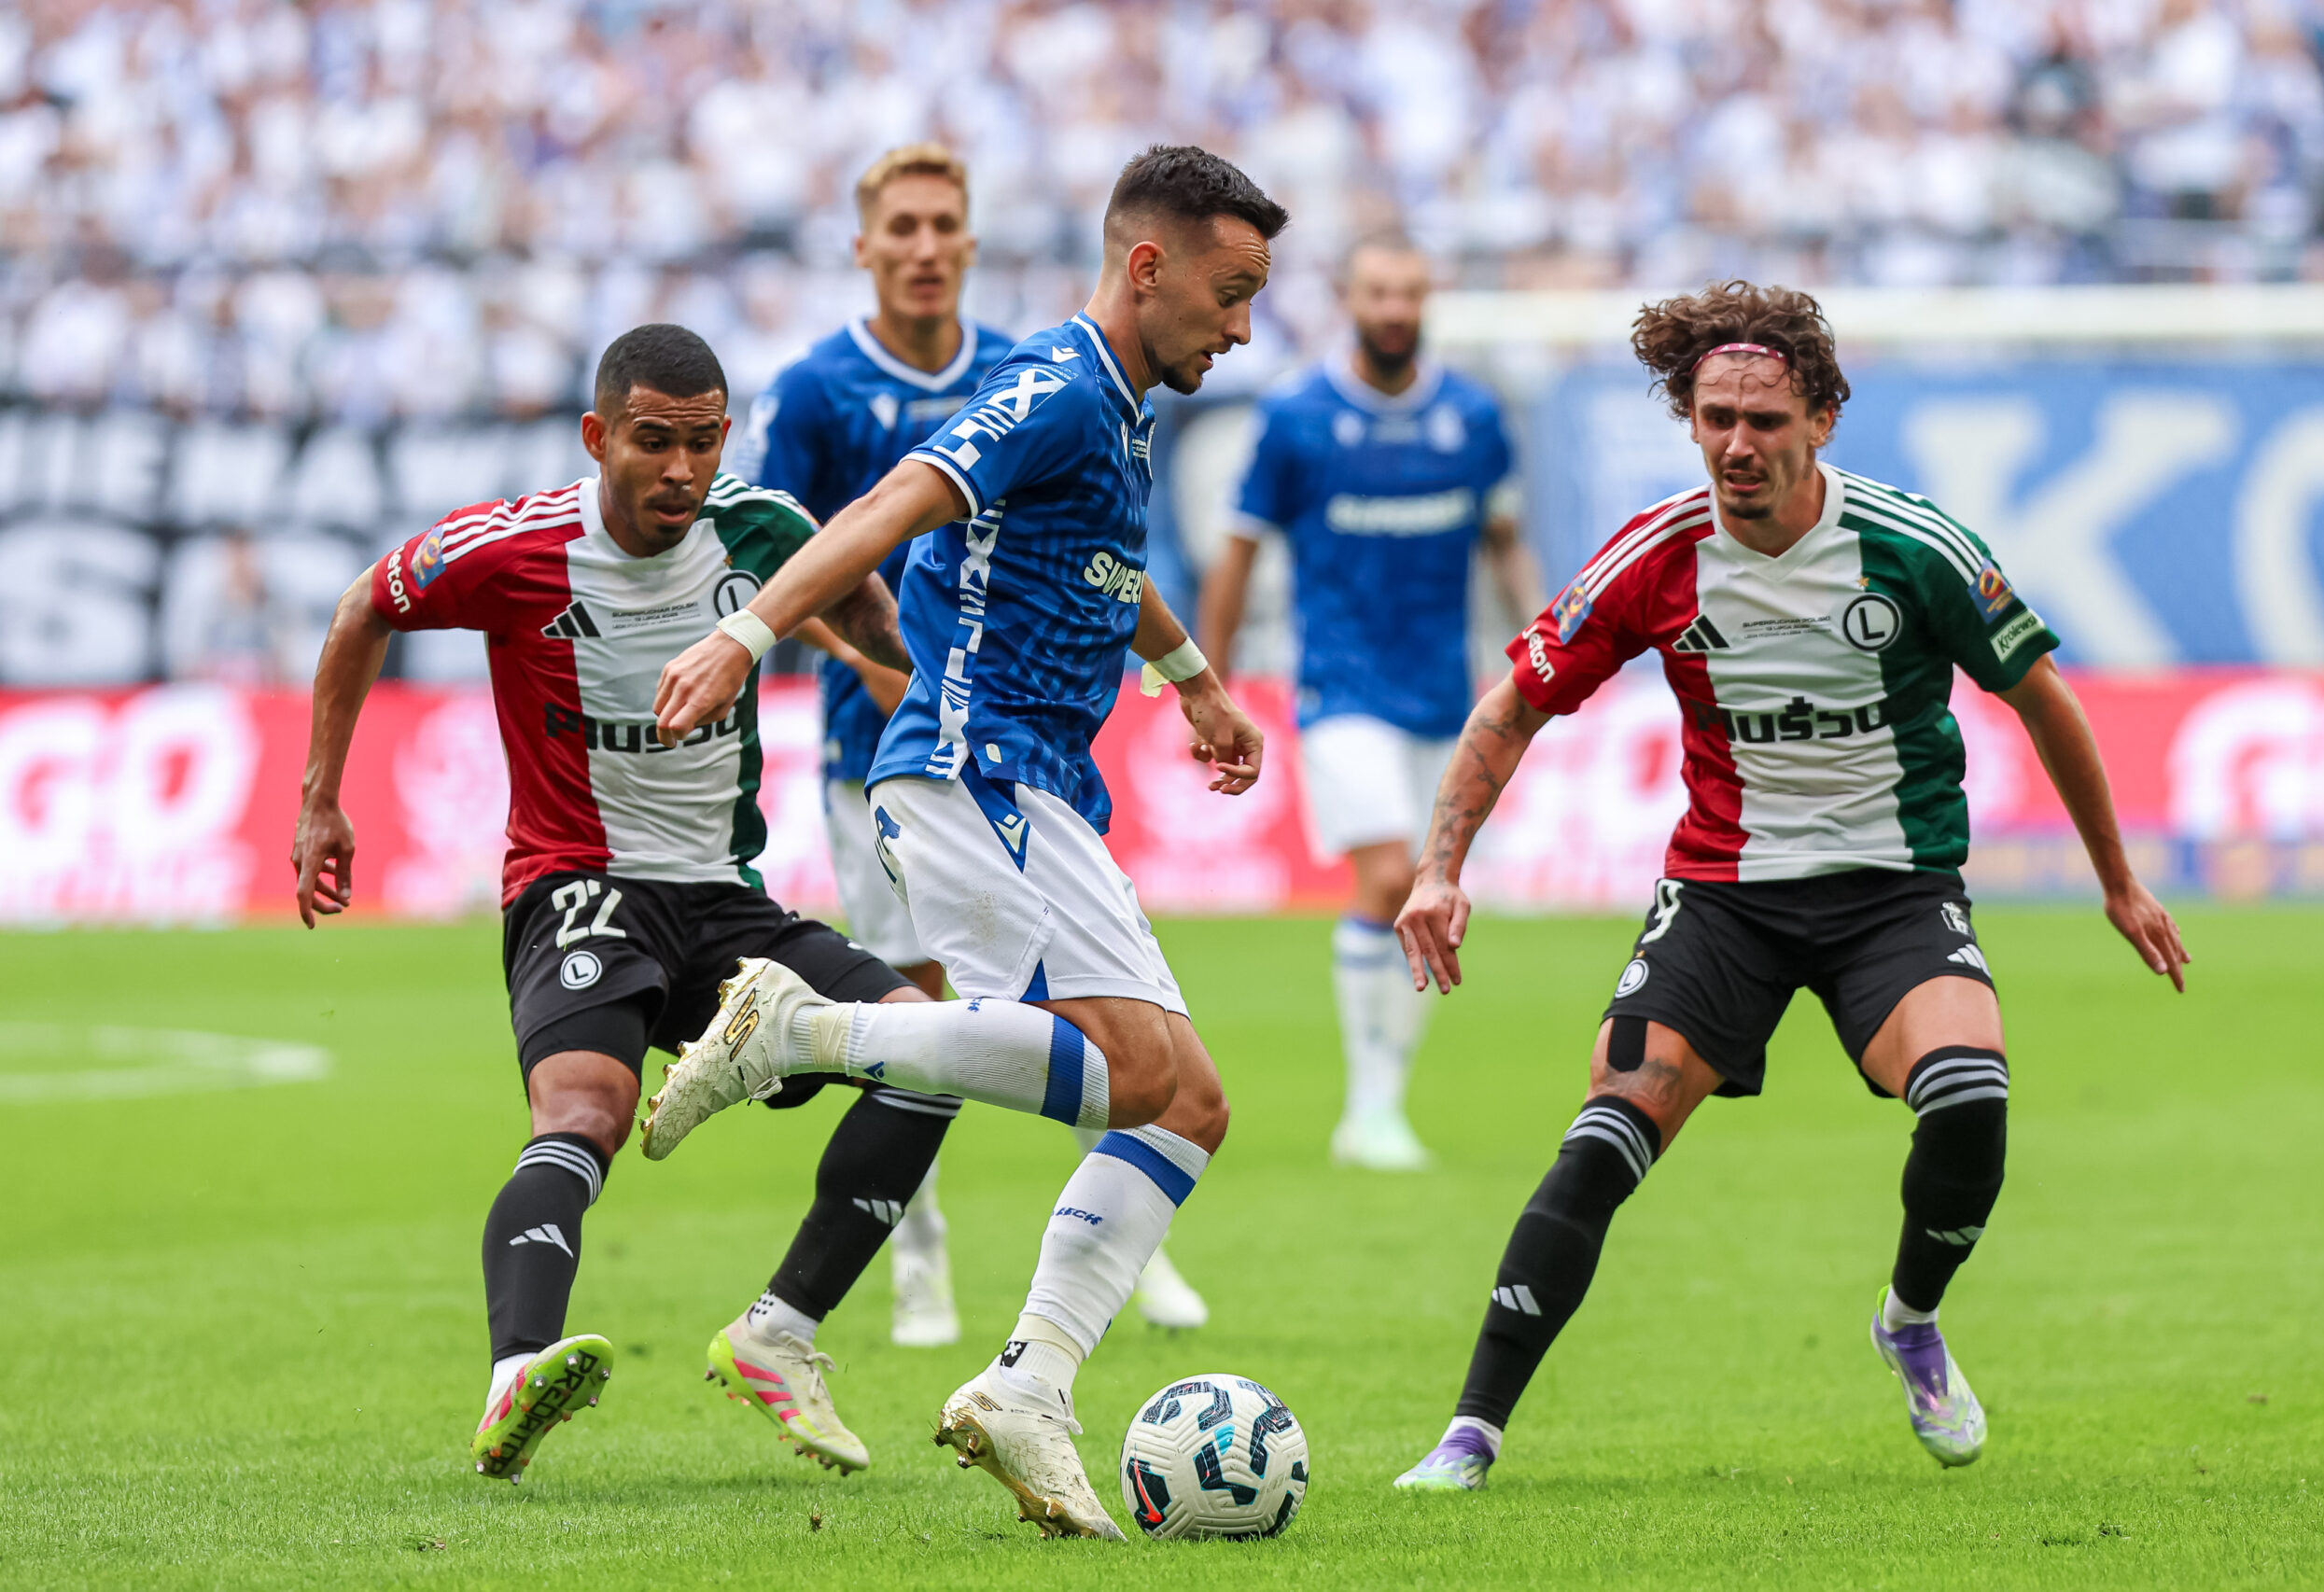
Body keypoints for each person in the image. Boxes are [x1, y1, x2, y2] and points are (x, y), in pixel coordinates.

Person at [1387, 282, 2190, 1491]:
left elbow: (2044, 699)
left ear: (1820, 417)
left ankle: (1911, 1320)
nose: (1737, 444)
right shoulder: (1655, 558)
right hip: (1726, 898)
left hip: (1893, 891)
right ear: (1688, 418)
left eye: (1765, 420)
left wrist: (2119, 881)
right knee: (1604, 1136)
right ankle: (1469, 1432)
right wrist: (1439, 869)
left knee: (1971, 1098)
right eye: (1715, 417)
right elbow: (1513, 708)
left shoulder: (1916, 548)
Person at [640, 146, 1287, 1539]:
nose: (1242, 327)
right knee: (1135, 1078)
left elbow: (1108, 569)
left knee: (1189, 1103)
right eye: (1231, 294)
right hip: (971, 768)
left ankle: (1027, 1384)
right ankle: (803, 1037)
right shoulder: (1055, 388)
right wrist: (748, 633)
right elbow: (889, 508)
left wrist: (1194, 681)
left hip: (1040, 780)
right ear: (1148, 264)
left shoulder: (1116, 407)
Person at [291, 324, 960, 1486]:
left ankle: (780, 1331)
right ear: (599, 436)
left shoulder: (763, 530)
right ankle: (517, 1371)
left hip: (725, 900)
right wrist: (319, 803)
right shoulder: (513, 549)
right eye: (655, 442)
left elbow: (872, 629)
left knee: (933, 1049)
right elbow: (363, 606)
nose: (682, 471)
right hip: (577, 885)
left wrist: (943, 714)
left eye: (704, 442)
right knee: (587, 1112)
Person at [737, 143, 1207, 1344]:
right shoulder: (818, 391)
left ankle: (1101, 1257)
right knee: (957, 1010)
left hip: (1014, 752)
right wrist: (781, 639)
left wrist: (1191, 674)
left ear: (970, 240)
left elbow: (1098, 561)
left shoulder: (1042, 374)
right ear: (866, 246)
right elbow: (812, 528)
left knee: (1090, 1048)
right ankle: (919, 1266)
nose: (926, 246)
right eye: (902, 225)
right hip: (910, 745)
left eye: (945, 223)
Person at [1197, 235, 1537, 1171]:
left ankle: (1382, 1104)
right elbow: (1238, 551)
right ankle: (1372, 1109)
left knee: (1430, 896)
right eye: (1378, 291)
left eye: (1410, 293)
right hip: (1339, 685)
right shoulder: (1297, 415)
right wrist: (1209, 683)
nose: (1395, 308)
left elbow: (1504, 540)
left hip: (1446, 690)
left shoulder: (1471, 415)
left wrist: (1544, 643)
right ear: (1349, 296)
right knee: (1388, 878)